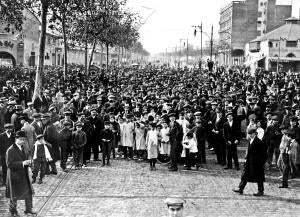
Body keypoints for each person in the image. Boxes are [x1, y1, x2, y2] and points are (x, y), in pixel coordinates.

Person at [5, 130, 36, 216]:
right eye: (21, 139)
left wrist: (29, 162)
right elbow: (9, 164)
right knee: (14, 195)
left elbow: (26, 156)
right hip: (14, 176)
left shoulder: (23, 148)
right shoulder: (10, 150)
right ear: (16, 139)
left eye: (24, 139)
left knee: (28, 192)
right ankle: (13, 212)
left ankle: (28, 209)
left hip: (23, 174)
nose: (23, 141)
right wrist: (22, 163)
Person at [233, 128, 268, 196]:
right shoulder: (250, 140)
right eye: (249, 134)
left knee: (259, 177)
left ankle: (261, 191)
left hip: (257, 163)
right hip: (249, 162)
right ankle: (240, 188)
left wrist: (262, 162)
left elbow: (264, 154)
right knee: (245, 175)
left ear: (255, 133)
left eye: (251, 134)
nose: (250, 135)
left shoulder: (259, 142)